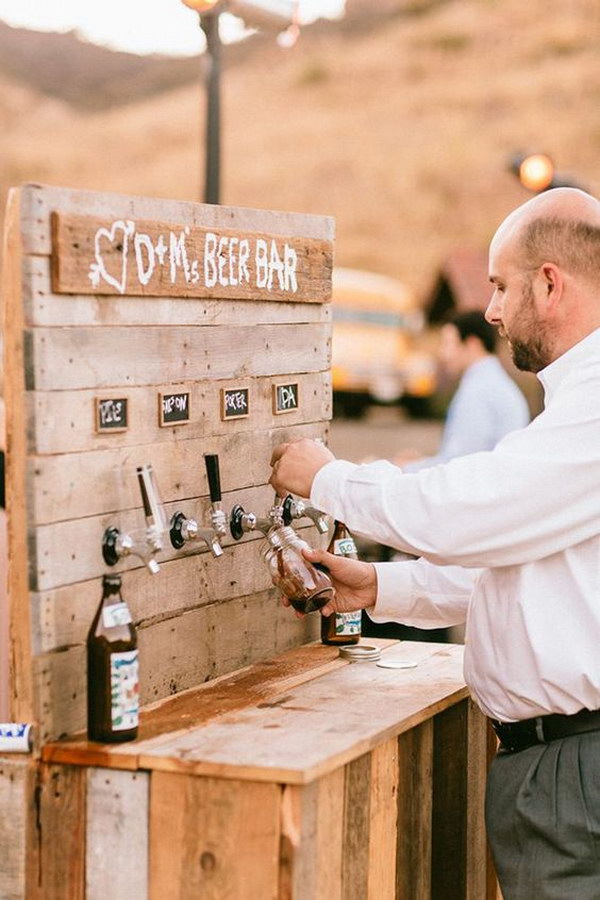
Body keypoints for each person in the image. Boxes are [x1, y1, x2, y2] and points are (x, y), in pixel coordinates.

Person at [270, 187, 600, 900]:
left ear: (550, 284)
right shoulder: (574, 401)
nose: (490, 311)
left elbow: (470, 513)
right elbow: (521, 567)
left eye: (501, 286)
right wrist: (381, 586)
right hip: (563, 767)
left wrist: (329, 478)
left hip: (577, 771)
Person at [397, 310, 530, 471]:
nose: (442, 353)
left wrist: (406, 468)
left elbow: (461, 464)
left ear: (472, 344)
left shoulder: (480, 389)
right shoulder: (492, 382)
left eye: (447, 343)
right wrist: (423, 462)